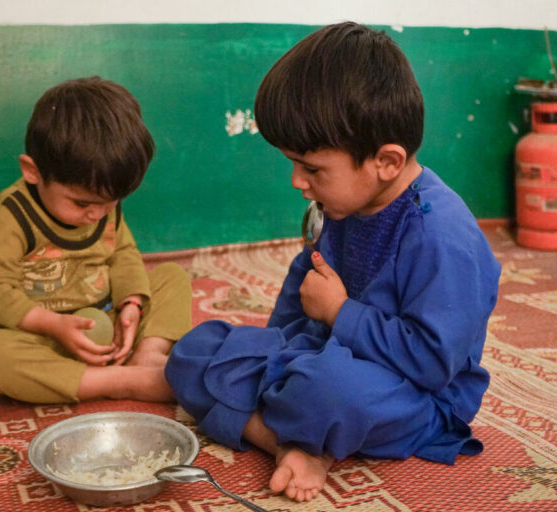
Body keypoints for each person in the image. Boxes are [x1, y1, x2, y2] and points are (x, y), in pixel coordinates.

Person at [165, 22, 501, 502]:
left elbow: (432, 363)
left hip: (412, 393)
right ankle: (287, 439)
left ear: (385, 161)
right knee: (196, 348)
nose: (296, 181)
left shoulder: (443, 236)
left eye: (312, 168)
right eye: (294, 163)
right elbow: (299, 291)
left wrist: (341, 313)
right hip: (318, 354)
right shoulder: (343, 200)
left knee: (327, 390)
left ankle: (281, 426)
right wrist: (269, 351)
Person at [0, 77, 191, 404]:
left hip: (107, 323)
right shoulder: (11, 214)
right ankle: (118, 382)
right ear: (33, 172)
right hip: (43, 339)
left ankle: (147, 355)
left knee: (172, 276)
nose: (97, 215)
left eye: (111, 203)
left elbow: (123, 254)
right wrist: (53, 325)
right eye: (82, 204)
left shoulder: (100, 202)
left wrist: (130, 304)